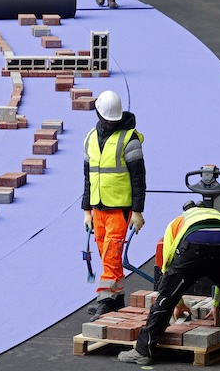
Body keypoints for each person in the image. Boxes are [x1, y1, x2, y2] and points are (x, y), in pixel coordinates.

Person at [117, 201, 220, 365]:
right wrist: (218, 304)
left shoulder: (178, 221)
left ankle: (143, 351)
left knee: (165, 299)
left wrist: (178, 302)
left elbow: (167, 264)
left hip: (193, 246)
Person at [82, 90, 146, 320]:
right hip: (99, 207)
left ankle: (105, 298)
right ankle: (117, 296)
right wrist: (86, 210)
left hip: (120, 208)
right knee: (106, 252)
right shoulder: (90, 138)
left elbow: (139, 179)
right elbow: (87, 176)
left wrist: (138, 211)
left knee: (111, 252)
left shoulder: (130, 140)